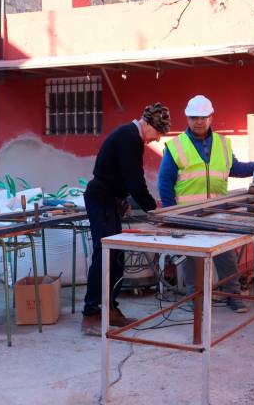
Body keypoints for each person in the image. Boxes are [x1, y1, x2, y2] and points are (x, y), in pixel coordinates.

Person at [157, 95, 254, 313]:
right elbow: (165, 183)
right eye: (193, 118)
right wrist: (172, 215)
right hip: (187, 214)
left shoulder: (222, 143)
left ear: (211, 117)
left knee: (225, 255)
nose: (198, 122)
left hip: (217, 213)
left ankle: (232, 296)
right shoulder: (176, 146)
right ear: (187, 118)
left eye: (202, 117)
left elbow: (235, 168)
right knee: (191, 259)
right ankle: (195, 297)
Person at [80, 103, 172, 336]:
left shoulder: (130, 136)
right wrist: (153, 209)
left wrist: (122, 200)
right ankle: (90, 314)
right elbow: (135, 180)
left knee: (116, 256)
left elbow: (122, 176)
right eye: (158, 133)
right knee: (104, 255)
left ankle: (110, 308)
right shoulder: (130, 138)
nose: (157, 140)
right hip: (100, 198)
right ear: (149, 125)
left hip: (110, 199)